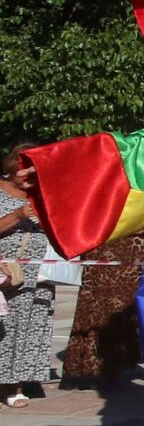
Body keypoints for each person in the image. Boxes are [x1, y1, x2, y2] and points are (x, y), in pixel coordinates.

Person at [0, 143, 54, 409]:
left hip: (39, 274)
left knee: (29, 330)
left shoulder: (44, 194)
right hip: (5, 272)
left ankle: (16, 386)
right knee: (5, 330)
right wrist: (19, 214)